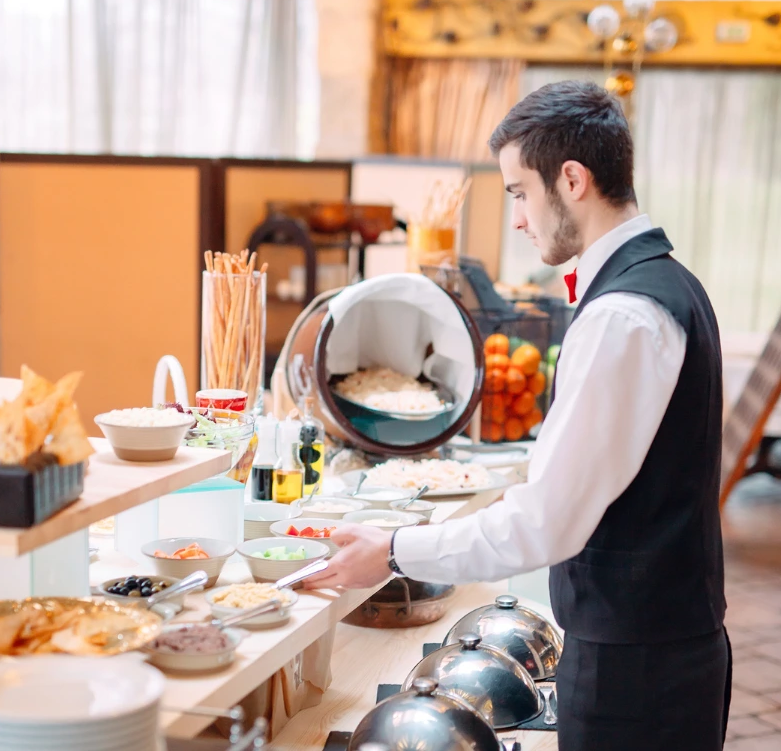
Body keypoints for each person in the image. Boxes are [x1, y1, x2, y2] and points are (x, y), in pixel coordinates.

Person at [303, 80, 730, 751]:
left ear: (572, 179)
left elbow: (544, 528)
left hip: (638, 670)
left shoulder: (622, 316)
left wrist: (389, 551)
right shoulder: (668, 282)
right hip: (661, 647)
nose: (518, 219)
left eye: (519, 193)